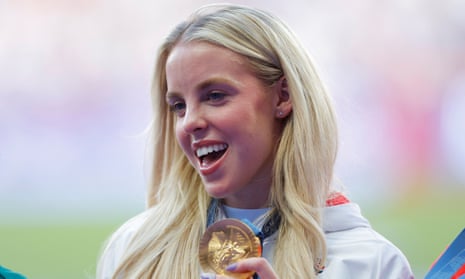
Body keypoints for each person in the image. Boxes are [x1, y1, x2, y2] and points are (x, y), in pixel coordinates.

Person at [97, 4, 414, 279]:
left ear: (283, 95)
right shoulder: (136, 251)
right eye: (178, 106)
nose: (190, 121)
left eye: (216, 96)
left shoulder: (370, 264)